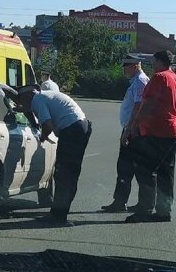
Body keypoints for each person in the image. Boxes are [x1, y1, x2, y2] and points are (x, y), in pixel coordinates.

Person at [125, 50, 176, 223]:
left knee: (146, 170)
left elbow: (149, 104)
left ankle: (144, 209)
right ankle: (164, 210)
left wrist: (135, 126)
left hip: (159, 130)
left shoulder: (160, 77)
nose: (152, 65)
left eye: (154, 61)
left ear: (159, 61)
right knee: (166, 172)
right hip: (175, 130)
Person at [18, 86, 91, 226]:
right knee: (69, 174)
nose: (21, 104)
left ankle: (59, 217)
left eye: (21, 100)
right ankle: (60, 214)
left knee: (64, 174)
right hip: (80, 126)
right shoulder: (43, 96)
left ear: (27, 96)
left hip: (72, 130)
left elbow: (48, 127)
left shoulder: (37, 100)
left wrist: (41, 138)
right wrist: (27, 110)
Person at [100, 56, 150, 212]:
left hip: (134, 130)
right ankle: (121, 201)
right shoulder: (137, 81)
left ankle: (122, 202)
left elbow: (138, 106)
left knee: (126, 166)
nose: (124, 69)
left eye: (126, 66)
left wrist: (128, 130)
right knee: (125, 167)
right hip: (132, 128)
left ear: (135, 65)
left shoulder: (141, 81)